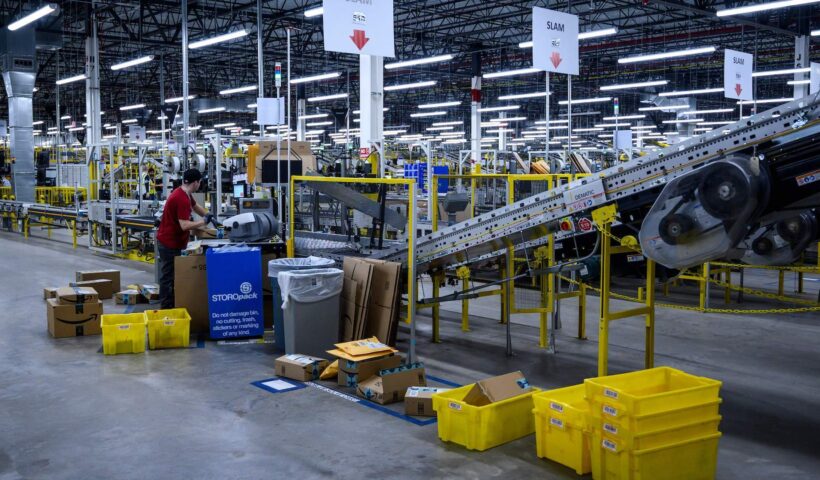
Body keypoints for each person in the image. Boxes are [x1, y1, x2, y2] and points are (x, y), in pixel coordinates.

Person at [156, 168, 214, 309]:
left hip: (173, 241)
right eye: (200, 182)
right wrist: (203, 222)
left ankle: (173, 303)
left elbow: (195, 207)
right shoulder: (181, 198)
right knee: (168, 278)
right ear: (196, 182)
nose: (199, 185)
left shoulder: (184, 193)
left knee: (174, 276)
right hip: (169, 243)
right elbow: (184, 225)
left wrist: (209, 215)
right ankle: (166, 308)